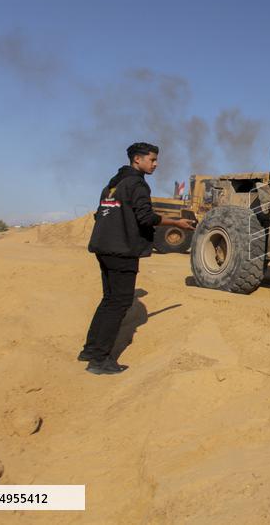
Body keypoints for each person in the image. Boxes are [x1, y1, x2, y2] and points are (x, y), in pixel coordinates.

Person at [80, 142, 195, 375]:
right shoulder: (137, 184)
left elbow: (98, 215)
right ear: (137, 160)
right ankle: (100, 361)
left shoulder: (113, 185)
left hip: (103, 247)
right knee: (120, 303)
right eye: (152, 159)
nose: (156, 164)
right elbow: (145, 217)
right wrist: (175, 222)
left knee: (109, 300)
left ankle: (90, 350)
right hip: (122, 250)